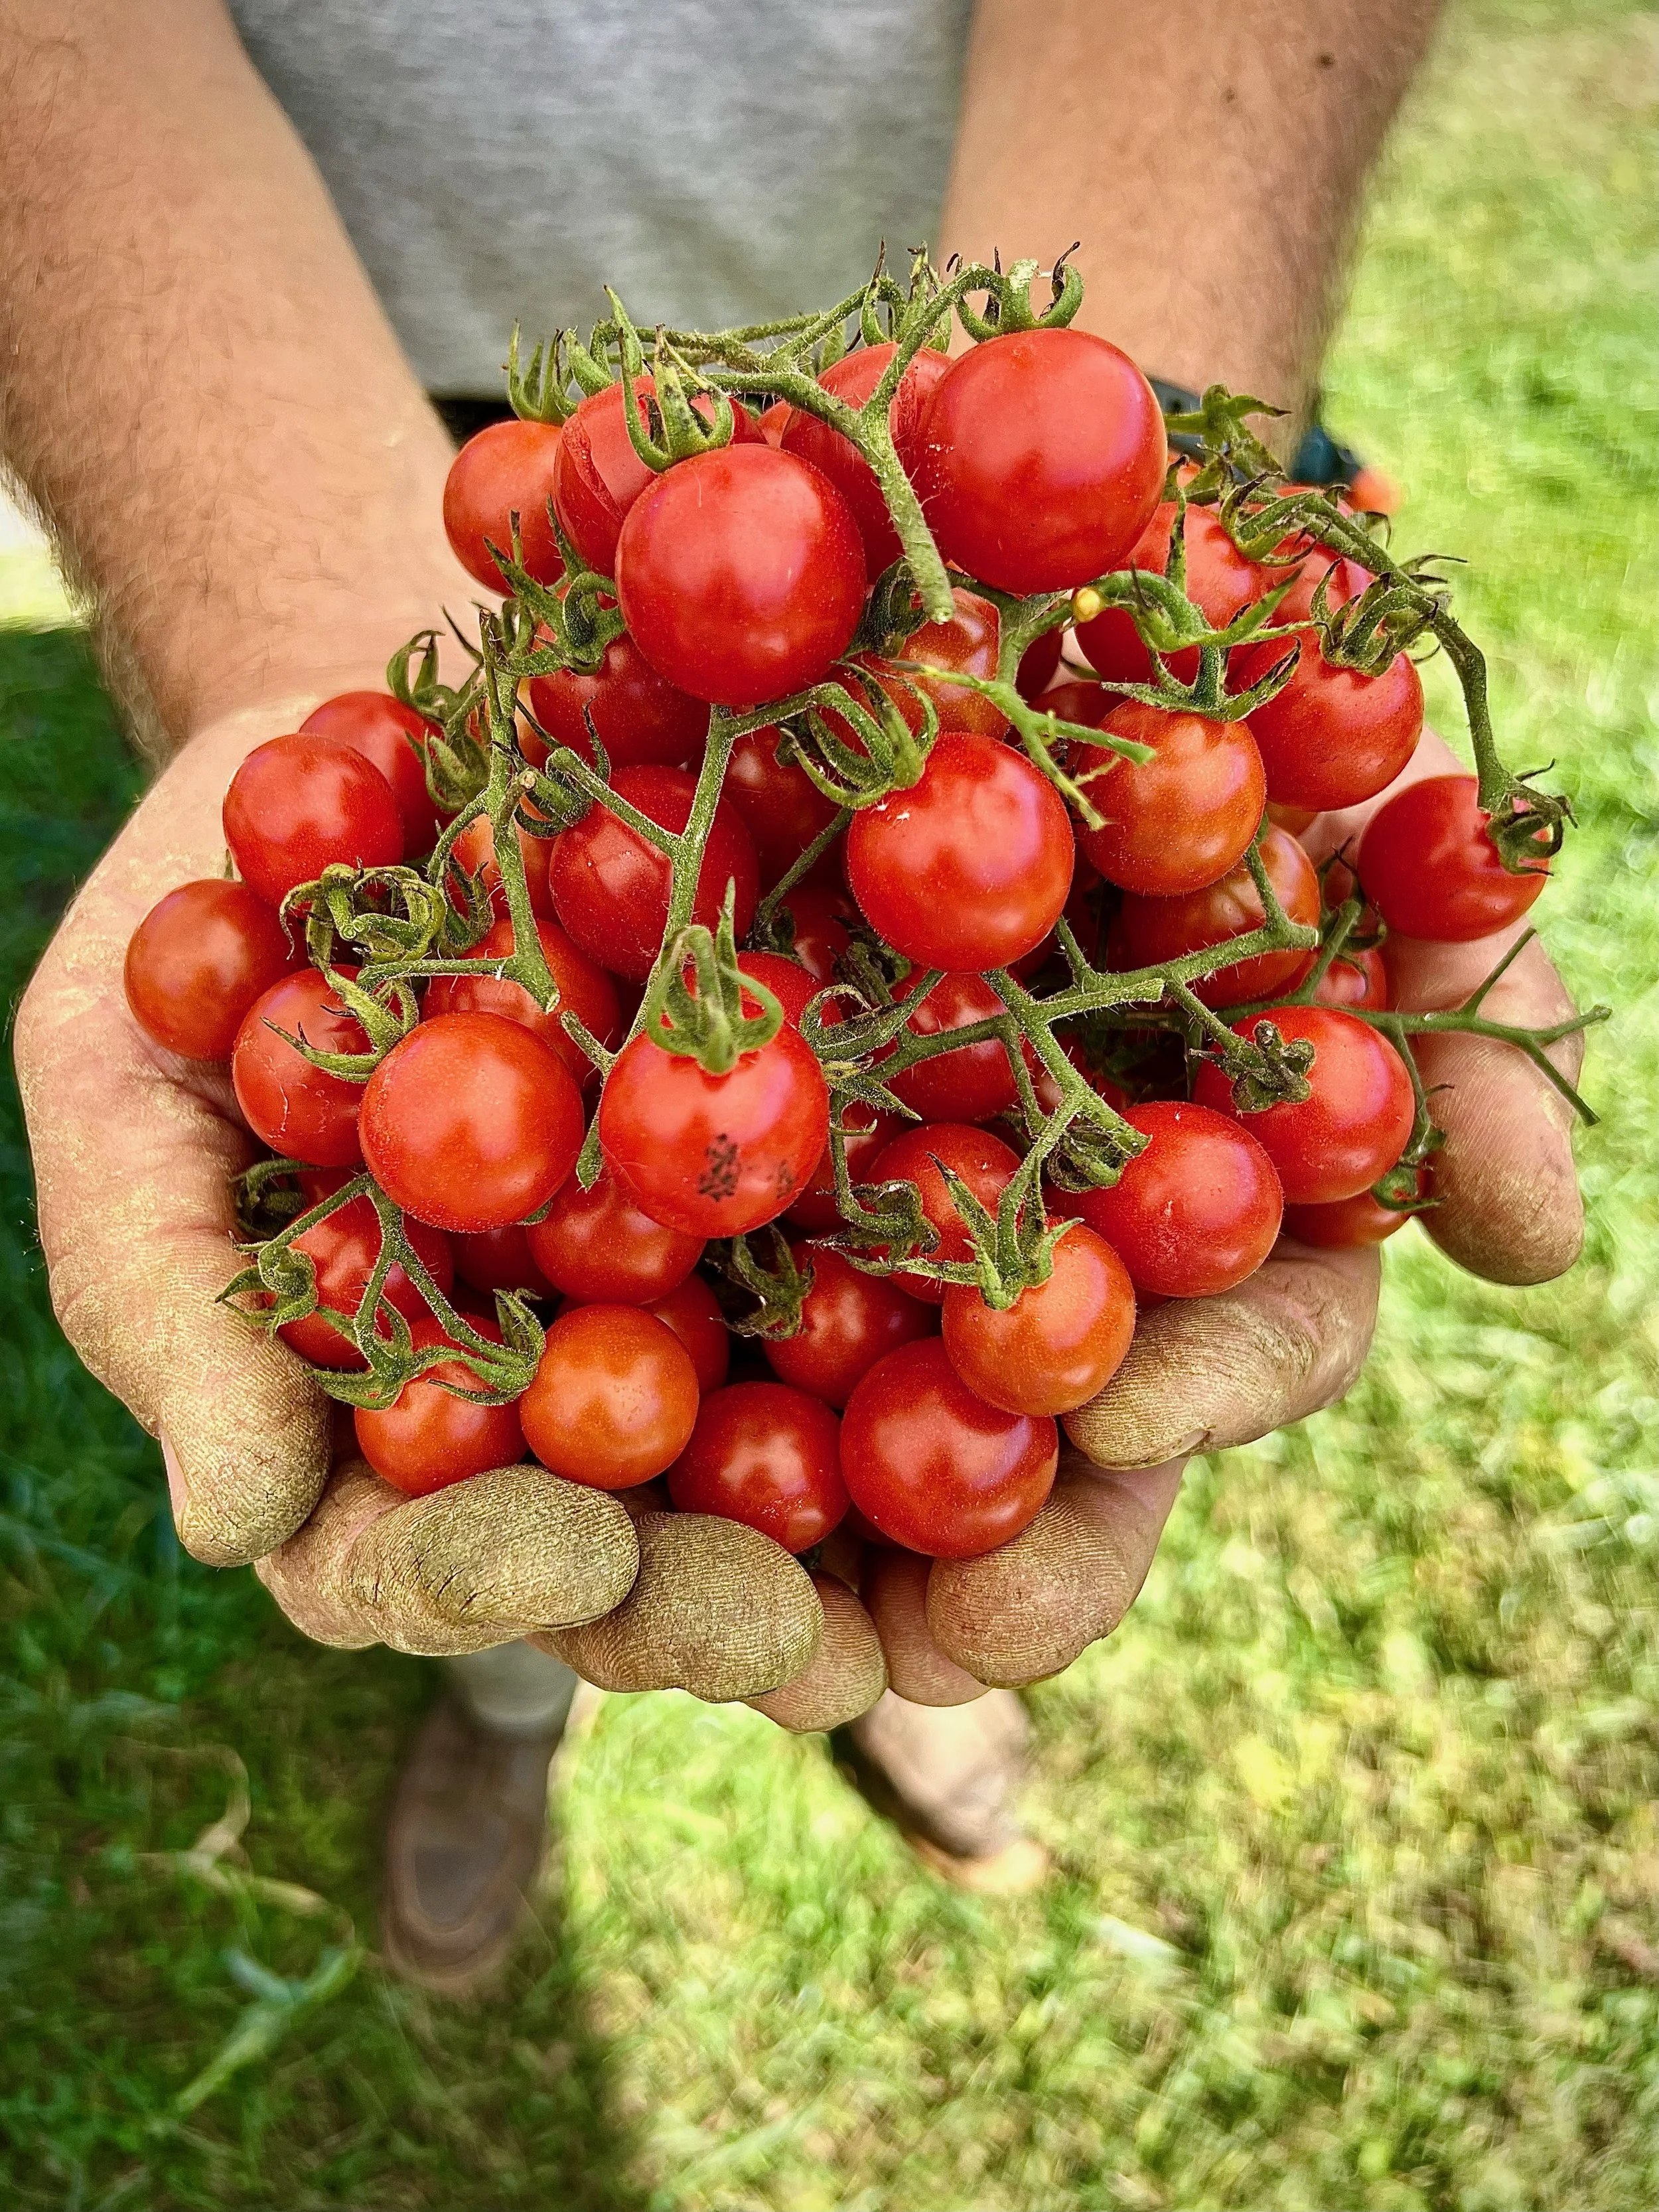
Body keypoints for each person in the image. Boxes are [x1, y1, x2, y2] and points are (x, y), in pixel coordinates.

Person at [2, 0, 1587, 1995]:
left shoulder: (1000, 726)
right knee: (535, 1500)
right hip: (341, 344)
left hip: (989, 373)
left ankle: (873, 1677)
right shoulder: (602, 833)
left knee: (884, 1523)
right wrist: (259, 602)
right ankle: (508, 1710)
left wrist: (1138, 477)